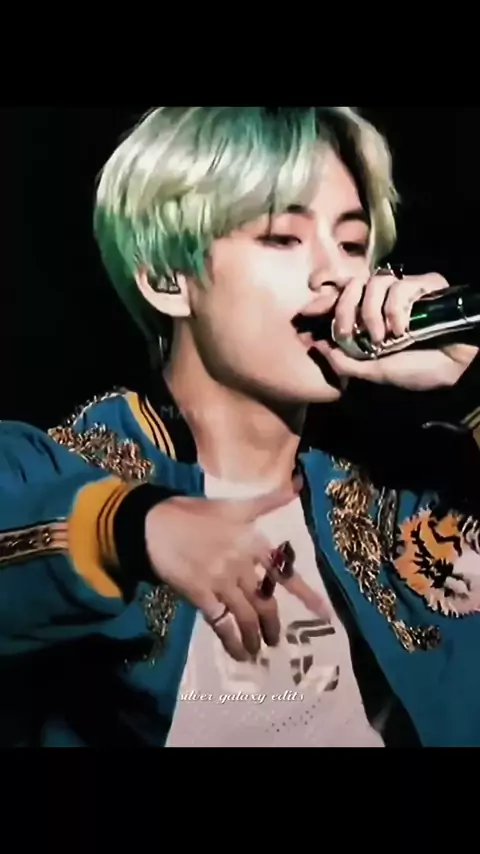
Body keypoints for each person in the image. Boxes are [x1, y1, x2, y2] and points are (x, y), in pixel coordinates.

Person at [2, 106, 480, 748]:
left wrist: (471, 358)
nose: (336, 273)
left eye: (351, 243)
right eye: (283, 238)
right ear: (168, 279)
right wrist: (134, 527)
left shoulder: (405, 491)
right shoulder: (85, 471)